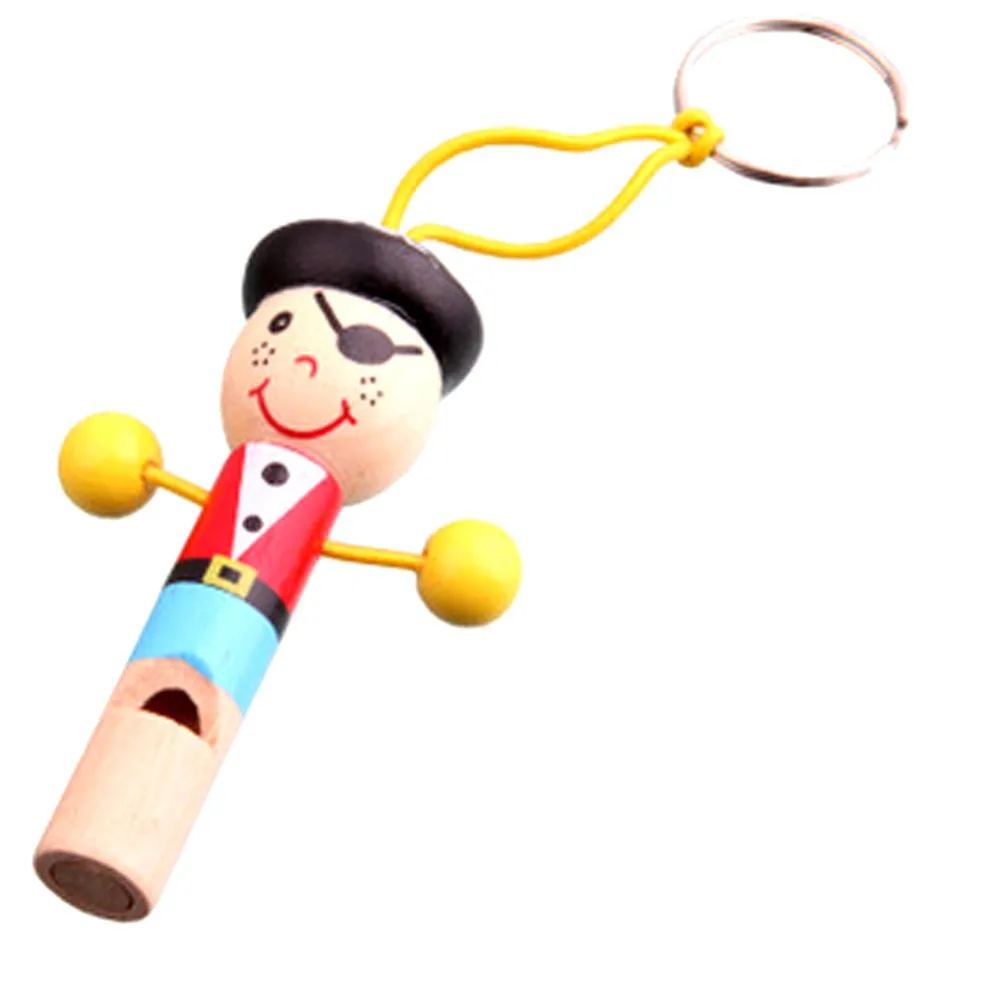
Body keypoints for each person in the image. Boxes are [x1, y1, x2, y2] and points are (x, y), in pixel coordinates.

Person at [35, 220, 520, 921]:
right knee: (169, 691)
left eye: (364, 350)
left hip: (250, 618)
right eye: (285, 325)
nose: (307, 365)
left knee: (188, 700)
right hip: (206, 597)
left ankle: (126, 835)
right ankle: (102, 827)